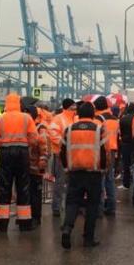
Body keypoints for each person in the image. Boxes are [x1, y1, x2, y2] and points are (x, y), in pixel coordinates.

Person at [60, 102, 107, 249]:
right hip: (94, 173)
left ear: (78, 114)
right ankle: (88, 238)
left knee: (72, 202)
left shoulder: (69, 130)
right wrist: (104, 168)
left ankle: (67, 228)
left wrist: (66, 168)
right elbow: (105, 152)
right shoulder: (99, 130)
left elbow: (62, 151)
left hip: (75, 173)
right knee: (92, 206)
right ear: (93, 114)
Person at [0, 93, 37, 232]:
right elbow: (34, 138)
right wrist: (25, 144)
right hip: (22, 153)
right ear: (19, 103)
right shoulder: (26, 117)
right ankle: (25, 223)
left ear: (6, 103)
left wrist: (1, 143)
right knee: (23, 186)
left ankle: (1, 224)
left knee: (4, 187)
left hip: (6, 153)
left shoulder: (0, 118)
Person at [49, 98, 76, 217]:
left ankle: (70, 206)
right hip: (61, 154)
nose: (75, 108)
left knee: (73, 183)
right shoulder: (58, 118)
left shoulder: (76, 118)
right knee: (60, 182)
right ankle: (56, 207)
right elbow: (53, 134)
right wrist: (65, 144)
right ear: (67, 107)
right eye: (73, 106)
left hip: (74, 155)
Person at [94, 96, 119, 216]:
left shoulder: (98, 119)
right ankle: (111, 207)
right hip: (113, 150)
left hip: (102, 150)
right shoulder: (115, 118)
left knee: (100, 180)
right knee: (110, 179)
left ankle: (98, 209)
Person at [27, 105, 50, 225]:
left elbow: (44, 148)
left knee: (35, 194)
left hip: (36, 168)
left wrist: (42, 164)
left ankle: (36, 217)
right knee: (28, 194)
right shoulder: (28, 127)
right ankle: (28, 217)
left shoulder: (40, 128)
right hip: (26, 167)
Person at [119, 103, 134, 189]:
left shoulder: (123, 119)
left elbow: (121, 132)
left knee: (126, 164)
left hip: (125, 143)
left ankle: (126, 183)